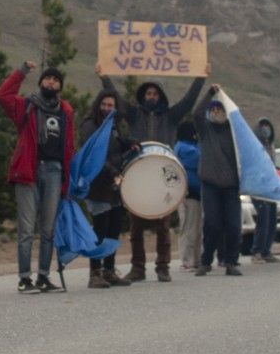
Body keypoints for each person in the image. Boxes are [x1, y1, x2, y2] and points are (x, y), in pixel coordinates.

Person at [96, 74, 204, 279]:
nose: (151, 96)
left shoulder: (172, 116)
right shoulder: (135, 115)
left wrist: (200, 77)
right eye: (148, 93)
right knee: (136, 226)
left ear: (161, 96)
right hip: (139, 174)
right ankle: (138, 268)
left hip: (163, 175)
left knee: (163, 225)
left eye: (155, 93)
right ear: (143, 95)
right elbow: (116, 98)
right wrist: (104, 78)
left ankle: (162, 268)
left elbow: (189, 100)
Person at [0, 62, 74, 292]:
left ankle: (43, 276)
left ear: (60, 86)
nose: (51, 82)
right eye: (47, 78)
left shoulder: (65, 112)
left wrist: (67, 179)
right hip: (30, 170)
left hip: (55, 170)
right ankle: (24, 278)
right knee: (27, 228)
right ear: (41, 82)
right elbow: (2, 95)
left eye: (55, 79)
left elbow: (69, 147)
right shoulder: (27, 105)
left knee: (48, 228)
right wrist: (20, 72)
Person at [79, 89, 135, 288]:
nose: (106, 108)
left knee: (114, 229)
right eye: (104, 104)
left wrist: (131, 145)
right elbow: (93, 154)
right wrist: (112, 171)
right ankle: (95, 273)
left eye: (110, 105)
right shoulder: (90, 124)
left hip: (114, 185)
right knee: (99, 231)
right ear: (98, 104)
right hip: (97, 183)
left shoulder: (113, 125)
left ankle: (109, 270)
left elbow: (118, 146)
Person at [193, 87, 243, 276]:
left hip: (231, 186)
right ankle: (206, 262)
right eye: (213, 110)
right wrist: (209, 95)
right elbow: (196, 113)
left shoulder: (235, 132)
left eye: (220, 110)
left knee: (233, 225)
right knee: (212, 224)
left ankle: (231, 262)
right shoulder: (205, 130)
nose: (216, 113)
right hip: (210, 185)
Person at [248, 117, 279, 264]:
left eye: (268, 126)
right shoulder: (254, 147)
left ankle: (267, 250)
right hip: (259, 186)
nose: (266, 129)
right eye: (263, 127)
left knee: (272, 218)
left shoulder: (270, 145)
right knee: (263, 217)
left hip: (270, 185)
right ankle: (257, 251)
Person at [173, 121, 201, 278]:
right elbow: (200, 159)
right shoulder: (185, 149)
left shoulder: (186, 147)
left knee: (195, 228)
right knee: (189, 228)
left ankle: (195, 259)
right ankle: (187, 260)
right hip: (188, 193)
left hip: (194, 193)